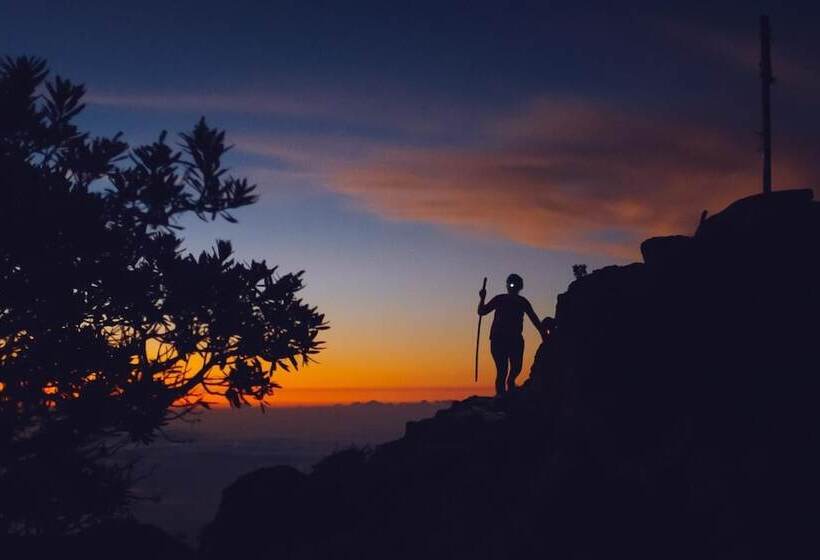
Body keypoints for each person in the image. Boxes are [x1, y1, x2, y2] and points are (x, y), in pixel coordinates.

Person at [477, 273, 543, 396]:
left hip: (515, 339)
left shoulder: (523, 302)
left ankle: (511, 382)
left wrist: (542, 333)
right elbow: (482, 311)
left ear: (520, 287)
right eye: (510, 284)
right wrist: (482, 298)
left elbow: (533, 318)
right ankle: (501, 396)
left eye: (515, 284)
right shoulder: (499, 299)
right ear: (507, 285)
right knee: (502, 370)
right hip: (498, 339)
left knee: (517, 367)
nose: (512, 286)